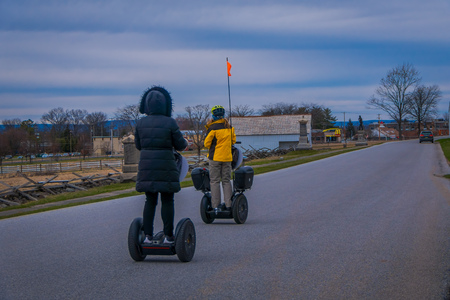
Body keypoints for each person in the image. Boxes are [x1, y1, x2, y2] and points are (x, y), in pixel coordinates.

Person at [134, 86, 187, 244]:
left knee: (150, 201)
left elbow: (138, 146)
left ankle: (148, 236)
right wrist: (185, 142)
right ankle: (169, 236)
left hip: (147, 168)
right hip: (166, 167)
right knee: (167, 200)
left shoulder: (140, 123)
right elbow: (180, 145)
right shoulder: (170, 122)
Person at [204, 105, 236, 213]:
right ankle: (229, 205)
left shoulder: (212, 128)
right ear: (223, 115)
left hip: (215, 158)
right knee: (226, 181)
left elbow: (206, 143)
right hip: (227, 158)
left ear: (213, 115)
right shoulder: (229, 127)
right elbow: (233, 141)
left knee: (214, 181)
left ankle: (215, 206)